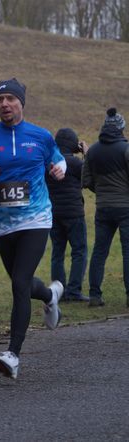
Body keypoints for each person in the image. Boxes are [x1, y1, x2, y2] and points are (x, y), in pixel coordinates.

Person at [0, 78, 66, 380]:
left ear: (21, 103)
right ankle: (49, 295)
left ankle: (12, 354)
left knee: (18, 283)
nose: (4, 104)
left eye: (10, 99)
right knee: (24, 284)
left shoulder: (40, 136)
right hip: (3, 224)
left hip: (36, 219)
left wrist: (59, 169)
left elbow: (59, 161)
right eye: (0, 99)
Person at [82, 108, 129, 308]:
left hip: (102, 208)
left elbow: (86, 180)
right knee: (128, 252)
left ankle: (94, 295)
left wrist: (101, 190)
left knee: (100, 251)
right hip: (125, 208)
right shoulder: (126, 149)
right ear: (121, 128)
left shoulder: (92, 150)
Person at [45, 128, 90, 302]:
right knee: (79, 251)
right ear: (74, 144)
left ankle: (59, 292)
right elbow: (89, 176)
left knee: (58, 252)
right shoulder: (76, 163)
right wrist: (86, 153)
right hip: (74, 214)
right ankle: (74, 291)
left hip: (53, 213)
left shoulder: (49, 162)